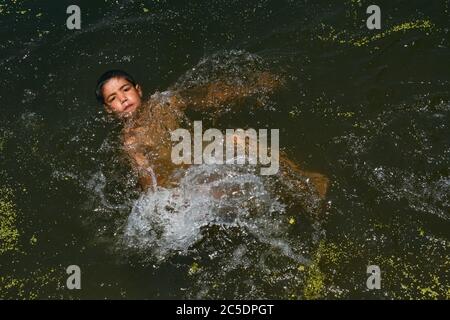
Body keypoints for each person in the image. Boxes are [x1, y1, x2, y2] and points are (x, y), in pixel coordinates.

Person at [95, 69, 329, 210]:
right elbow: (148, 179)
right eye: (113, 98)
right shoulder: (131, 141)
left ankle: (303, 179)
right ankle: (287, 204)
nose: (123, 99)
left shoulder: (164, 103)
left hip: (197, 158)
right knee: (234, 196)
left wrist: (253, 87)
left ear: (139, 89)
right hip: (180, 184)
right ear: (109, 110)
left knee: (240, 138)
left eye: (126, 89)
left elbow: (208, 96)